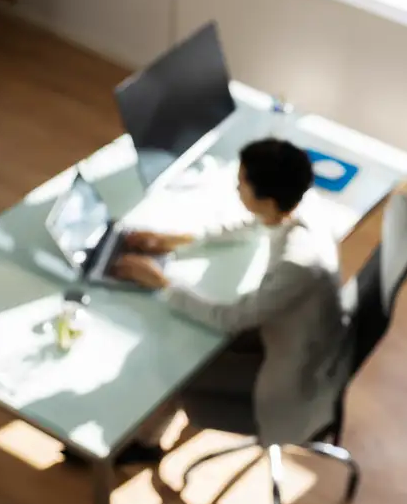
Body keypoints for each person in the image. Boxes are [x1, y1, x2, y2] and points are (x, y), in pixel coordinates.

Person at [66, 138, 348, 466]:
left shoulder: (296, 264)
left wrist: (161, 282)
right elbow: (249, 226)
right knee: (179, 337)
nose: (236, 188)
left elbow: (229, 318)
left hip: (293, 374)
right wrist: (168, 243)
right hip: (299, 335)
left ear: (266, 198)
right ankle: (145, 435)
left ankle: (140, 444)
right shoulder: (298, 207)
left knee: (170, 363)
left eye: (241, 182)